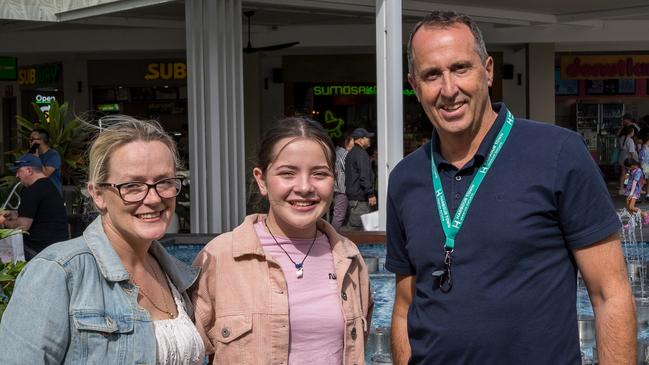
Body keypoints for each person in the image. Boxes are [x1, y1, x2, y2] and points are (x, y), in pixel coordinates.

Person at [386, 11, 635, 365]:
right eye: (431, 75)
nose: (448, 89)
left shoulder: (558, 153)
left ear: (487, 71)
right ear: (414, 85)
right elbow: (405, 306)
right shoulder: (405, 178)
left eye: (460, 68)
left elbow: (610, 293)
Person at [0, 117, 205, 365]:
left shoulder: (177, 275)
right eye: (132, 185)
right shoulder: (59, 272)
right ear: (98, 195)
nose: (153, 198)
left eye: (164, 182)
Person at [192, 117, 372, 365]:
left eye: (319, 174)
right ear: (262, 180)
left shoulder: (349, 259)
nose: (305, 187)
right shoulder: (219, 258)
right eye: (288, 173)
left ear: (335, 178)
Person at [1, 154, 68, 260]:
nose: (17, 175)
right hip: (57, 246)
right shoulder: (49, 186)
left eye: (19, 171)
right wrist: (15, 214)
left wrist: (4, 222)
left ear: (29, 170)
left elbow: (23, 226)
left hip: (39, 250)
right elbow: (40, 215)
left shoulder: (33, 190)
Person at [344, 127, 377, 230]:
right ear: (360, 140)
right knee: (357, 229)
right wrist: (370, 193)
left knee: (357, 227)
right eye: (367, 138)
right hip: (360, 199)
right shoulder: (361, 154)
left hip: (353, 198)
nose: (369, 140)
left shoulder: (352, 153)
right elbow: (364, 176)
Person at [29, 128, 63, 195]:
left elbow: (46, 174)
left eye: (32, 139)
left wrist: (36, 157)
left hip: (52, 194)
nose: (30, 142)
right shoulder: (32, 155)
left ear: (40, 141)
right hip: (37, 194)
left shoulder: (53, 155)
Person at [331, 131, 354, 230]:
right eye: (353, 140)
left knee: (340, 214)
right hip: (342, 188)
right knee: (339, 216)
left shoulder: (337, 152)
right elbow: (348, 169)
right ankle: (332, 237)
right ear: (347, 141)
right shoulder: (344, 154)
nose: (354, 142)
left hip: (338, 188)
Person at [623, 158, 649, 223]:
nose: (627, 169)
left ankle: (644, 214)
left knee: (631, 207)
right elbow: (627, 176)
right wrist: (627, 175)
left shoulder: (638, 171)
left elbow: (634, 182)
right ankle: (631, 221)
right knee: (629, 207)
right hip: (628, 189)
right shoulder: (631, 170)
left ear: (632, 166)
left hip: (634, 191)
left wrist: (631, 194)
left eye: (628, 167)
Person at [618, 125, 638, 195]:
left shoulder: (621, 138)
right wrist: (634, 160)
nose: (633, 133)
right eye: (633, 131)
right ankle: (629, 189)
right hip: (629, 159)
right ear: (630, 132)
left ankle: (621, 188)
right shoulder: (630, 140)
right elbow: (632, 151)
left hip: (622, 158)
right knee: (631, 174)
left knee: (623, 173)